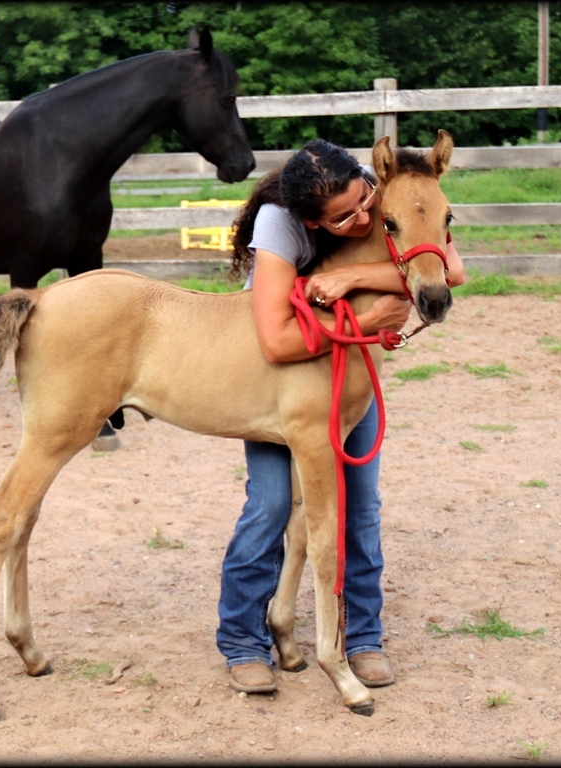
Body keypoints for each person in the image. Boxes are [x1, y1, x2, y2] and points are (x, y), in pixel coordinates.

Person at [216, 139, 466, 694]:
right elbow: (277, 341)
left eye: (364, 204)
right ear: (312, 220)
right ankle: (241, 639)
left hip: (349, 368)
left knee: (362, 505)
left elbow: (452, 271)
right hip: (281, 371)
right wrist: (367, 315)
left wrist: (354, 282)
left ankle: (364, 636)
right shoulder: (282, 225)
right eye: (343, 217)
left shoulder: (384, 190)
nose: (361, 218)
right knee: (271, 504)